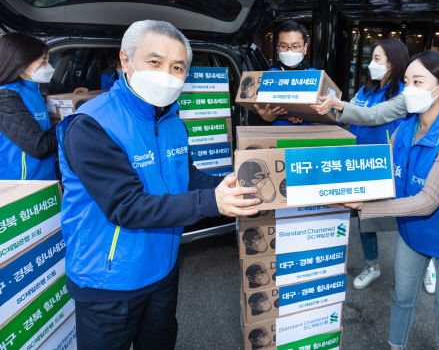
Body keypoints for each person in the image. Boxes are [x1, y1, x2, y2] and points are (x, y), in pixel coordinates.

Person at [56, 20, 261, 350]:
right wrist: (213, 202)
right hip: (110, 279)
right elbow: (128, 206)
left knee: (161, 342)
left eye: (177, 67)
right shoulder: (92, 125)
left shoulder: (170, 120)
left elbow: (185, 178)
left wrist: (231, 185)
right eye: (155, 62)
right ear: (125, 60)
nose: (167, 73)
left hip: (163, 267)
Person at [331, 50, 439, 350]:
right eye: (406, 81)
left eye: (419, 81)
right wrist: (343, 185)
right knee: (402, 297)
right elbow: (384, 172)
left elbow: (428, 201)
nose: (409, 89)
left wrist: (365, 207)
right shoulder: (406, 127)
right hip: (409, 232)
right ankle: (396, 345)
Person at [347, 39, 411, 290]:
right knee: (365, 216)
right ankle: (372, 265)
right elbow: (351, 112)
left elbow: (372, 117)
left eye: (377, 59)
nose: (370, 63)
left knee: (407, 217)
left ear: (393, 64)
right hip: (361, 164)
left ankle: (427, 265)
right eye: (371, 58)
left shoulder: (402, 96)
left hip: (390, 166)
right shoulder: (366, 91)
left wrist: (339, 107)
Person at [0, 32, 57, 180]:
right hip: (22, 186)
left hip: (42, 179)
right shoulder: (6, 98)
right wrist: (68, 123)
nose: (48, 67)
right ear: (20, 62)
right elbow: (40, 147)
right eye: (43, 62)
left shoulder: (32, 89)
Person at [254, 20, 315, 126]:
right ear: (277, 48)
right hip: (275, 138)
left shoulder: (314, 77)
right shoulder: (268, 77)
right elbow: (256, 115)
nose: (289, 51)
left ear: (305, 48)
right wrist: (265, 118)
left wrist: (306, 115)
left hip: (304, 138)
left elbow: (329, 113)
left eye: (295, 46)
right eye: (283, 46)